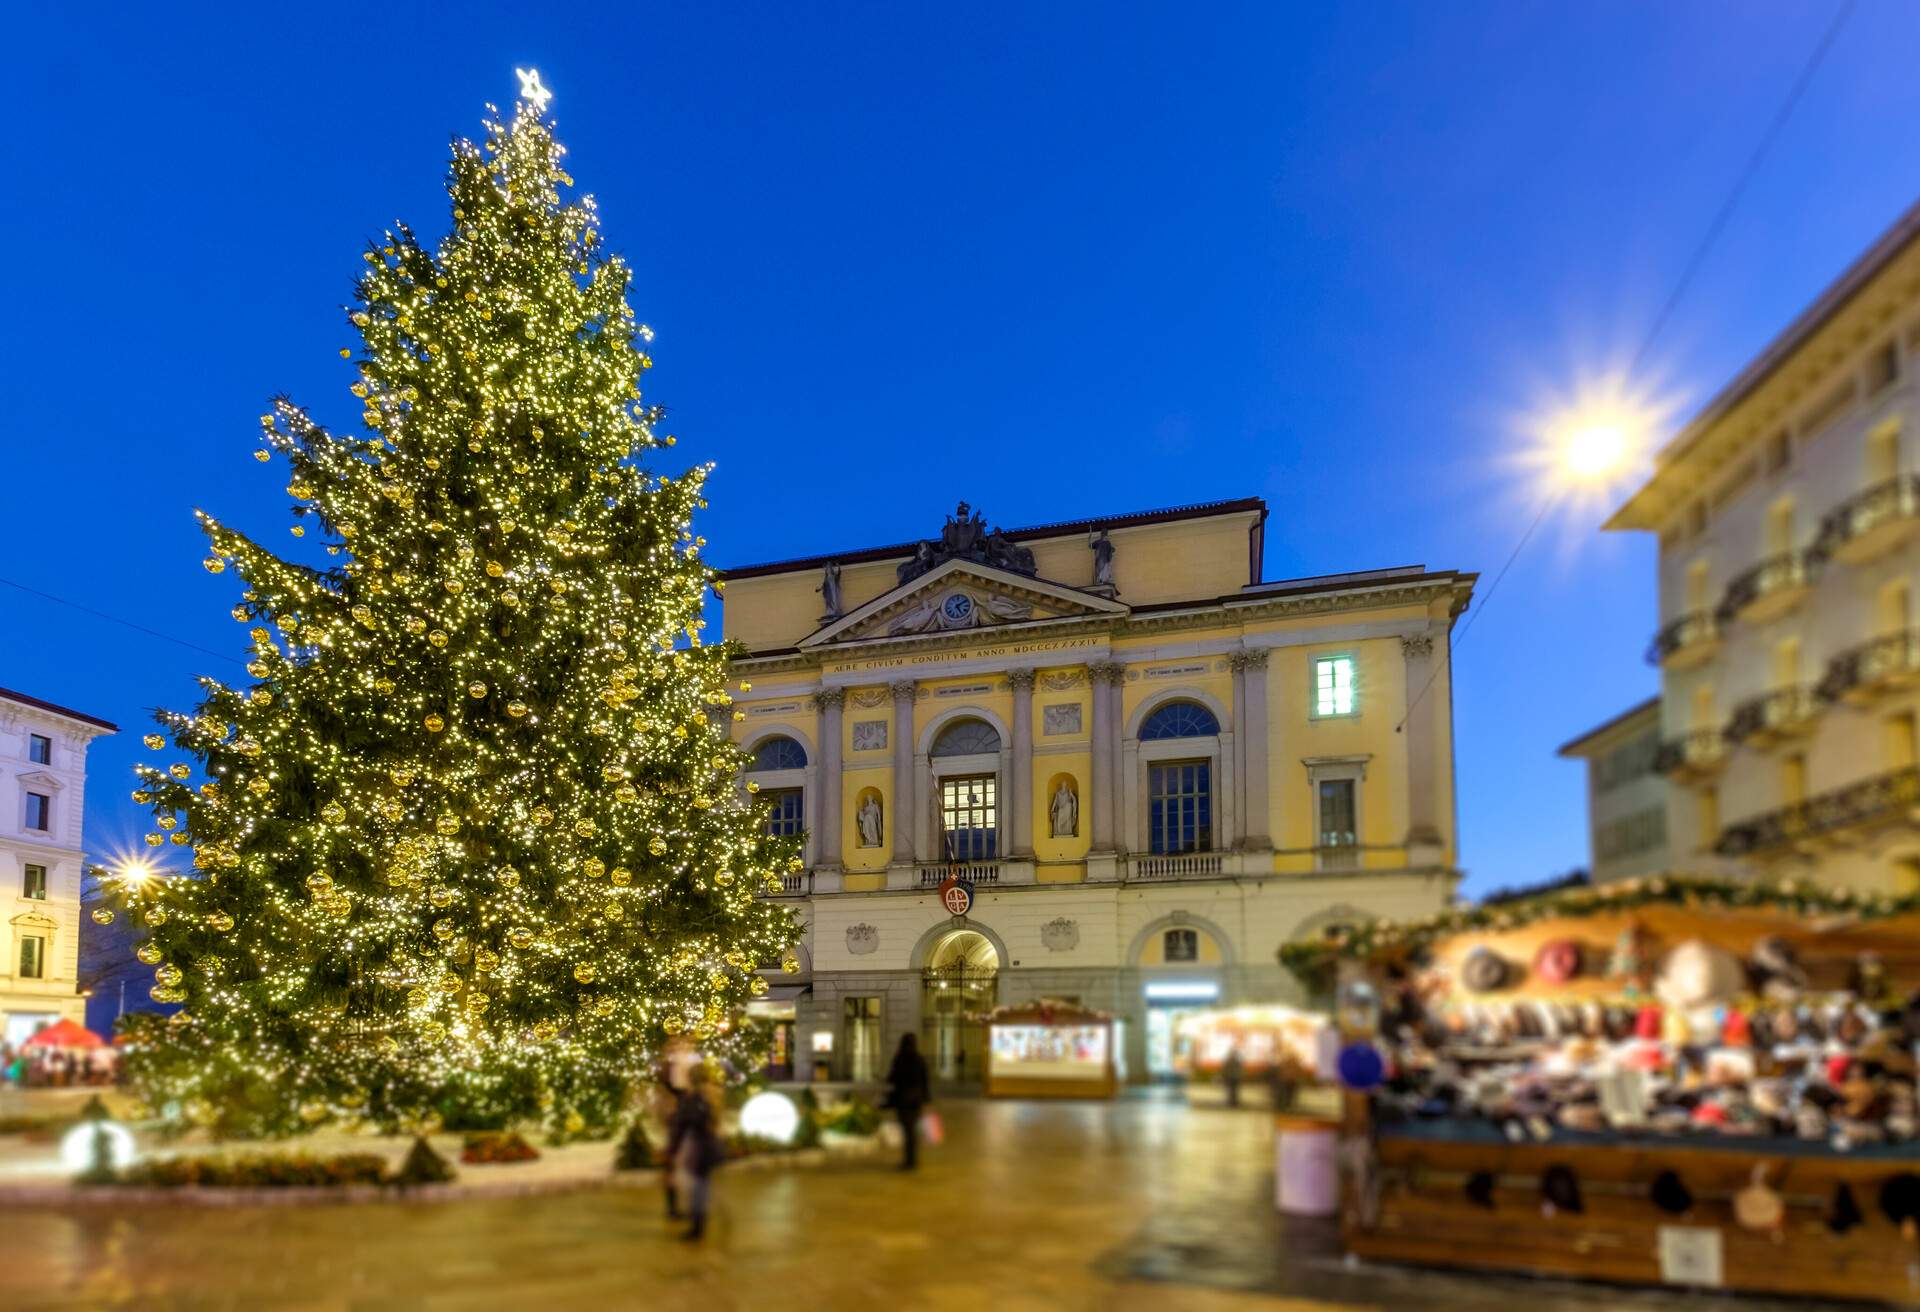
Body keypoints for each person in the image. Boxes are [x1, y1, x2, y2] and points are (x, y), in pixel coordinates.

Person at [668, 1065, 723, 1241]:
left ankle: (697, 1226)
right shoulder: (714, 1095)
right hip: (710, 1143)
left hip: (697, 1146)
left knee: (696, 1186)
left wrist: (673, 1148)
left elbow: (682, 1124)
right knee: (702, 1184)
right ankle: (699, 1221)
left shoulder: (693, 1098)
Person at [884, 1033, 931, 1170]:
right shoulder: (919, 1059)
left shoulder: (900, 1058)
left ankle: (909, 1160)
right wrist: (926, 1098)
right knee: (912, 1130)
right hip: (916, 1099)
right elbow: (925, 1080)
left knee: (907, 1130)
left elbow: (893, 1077)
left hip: (903, 1099)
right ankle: (912, 1159)